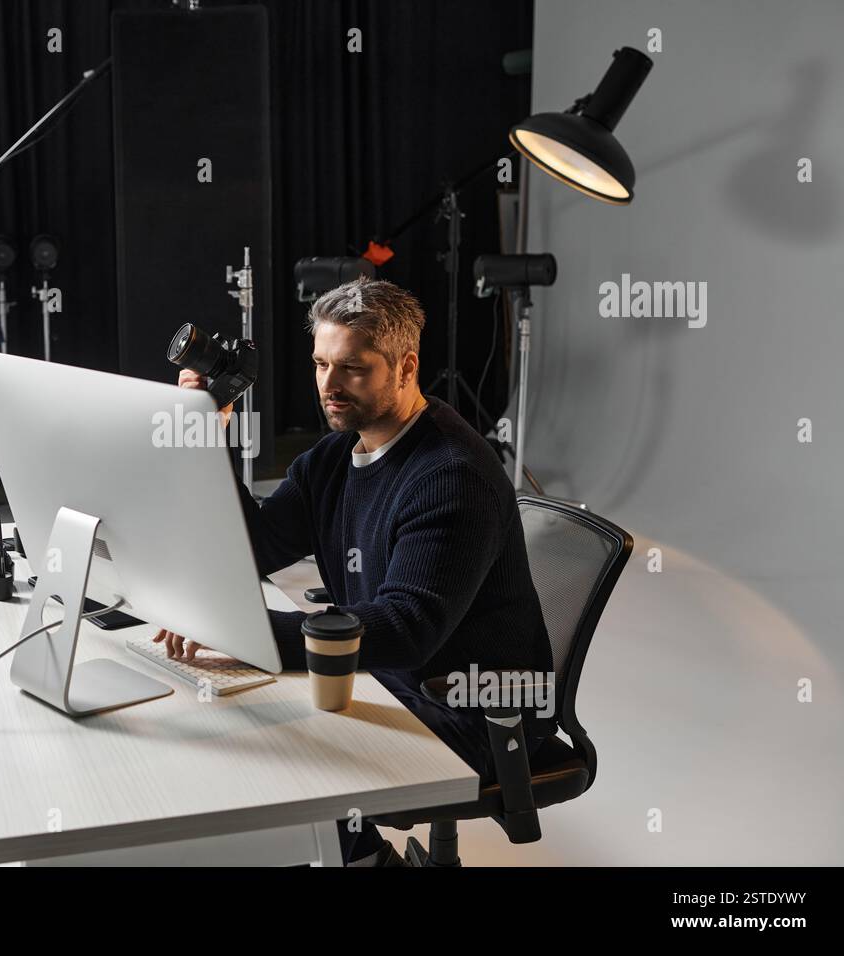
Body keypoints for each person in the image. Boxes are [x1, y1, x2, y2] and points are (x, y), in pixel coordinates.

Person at [156, 277, 555, 866]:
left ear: (405, 366)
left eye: (352, 368)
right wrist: (202, 441)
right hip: (389, 678)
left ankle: (358, 858)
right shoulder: (337, 455)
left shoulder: (451, 475)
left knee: (279, 749)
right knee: (242, 727)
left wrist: (240, 632)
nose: (329, 387)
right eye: (320, 364)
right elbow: (256, 547)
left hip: (472, 710)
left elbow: (404, 629)